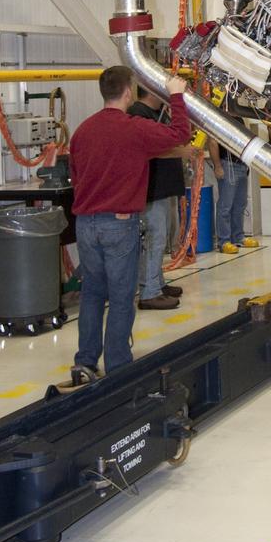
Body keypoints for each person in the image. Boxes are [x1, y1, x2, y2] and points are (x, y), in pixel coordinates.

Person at [69, 66, 190, 383]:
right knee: (122, 298)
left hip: (85, 224)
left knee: (93, 295)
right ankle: (119, 367)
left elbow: (76, 177)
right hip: (118, 224)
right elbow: (180, 135)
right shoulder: (133, 128)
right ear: (128, 91)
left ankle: (84, 363)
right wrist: (177, 95)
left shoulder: (82, 131)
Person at [128, 86, 190, 310]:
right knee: (155, 238)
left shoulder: (157, 114)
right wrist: (181, 151)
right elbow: (149, 149)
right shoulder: (138, 113)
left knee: (160, 239)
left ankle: (157, 283)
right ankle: (149, 291)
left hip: (164, 186)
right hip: (152, 188)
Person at [209, 141, 249, 248]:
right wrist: (217, 166)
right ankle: (223, 240)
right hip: (227, 164)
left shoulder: (240, 122)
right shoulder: (221, 123)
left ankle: (238, 237)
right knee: (225, 205)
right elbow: (213, 142)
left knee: (240, 205)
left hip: (241, 164)